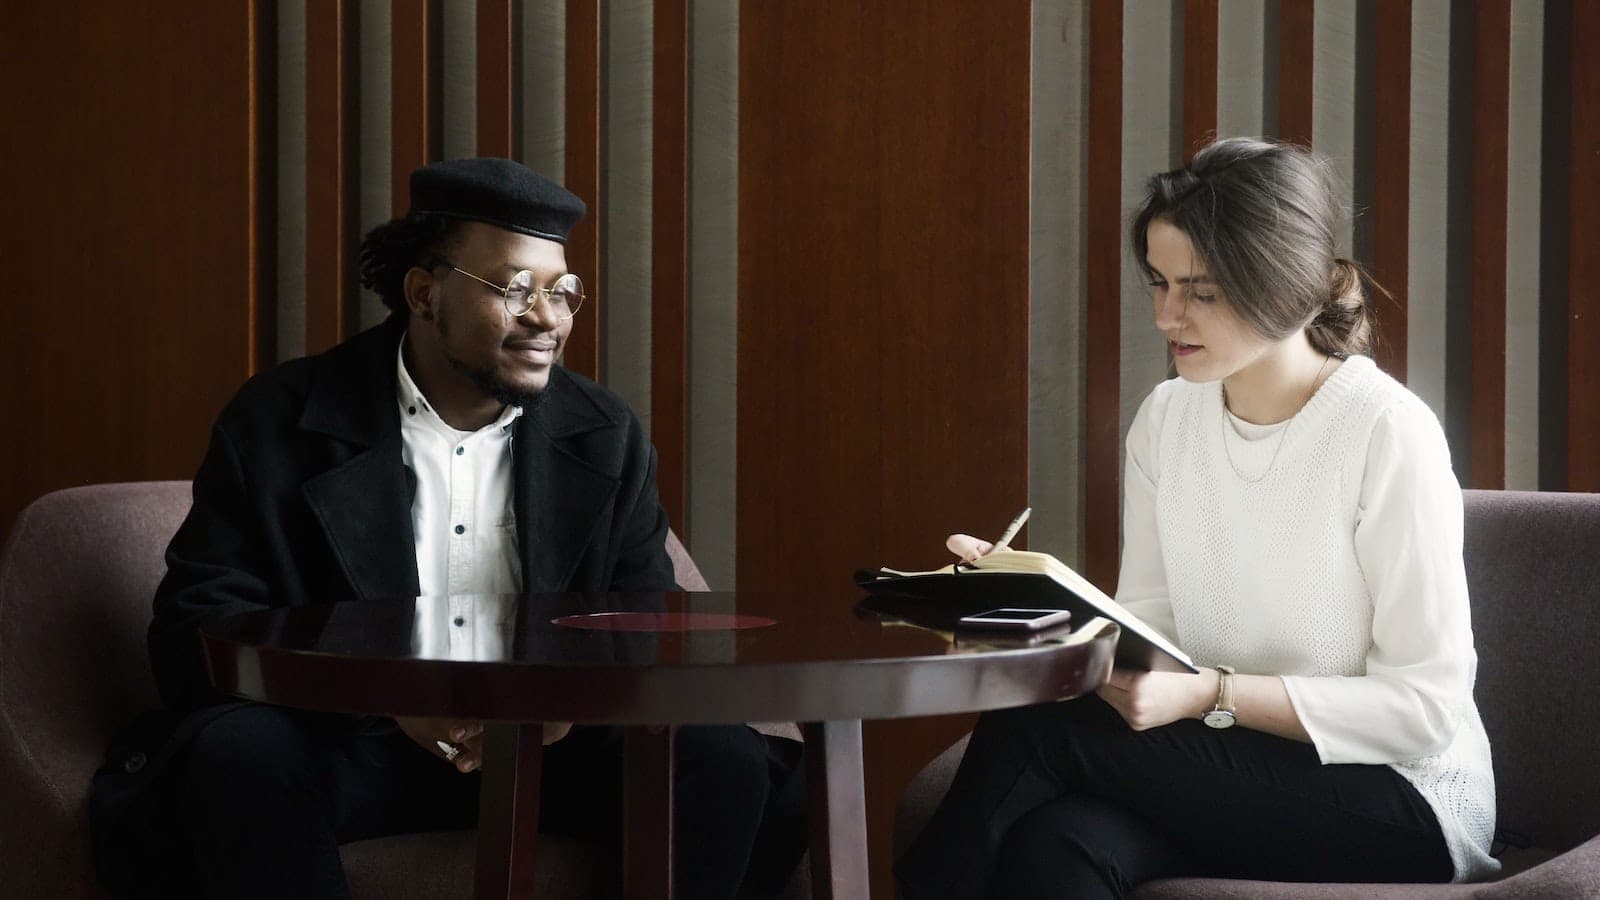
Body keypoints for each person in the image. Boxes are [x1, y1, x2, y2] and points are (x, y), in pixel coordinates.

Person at [100, 158, 806, 899]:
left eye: (562, 292)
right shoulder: (278, 419)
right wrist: (389, 697)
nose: (548, 319)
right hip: (350, 740)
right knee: (238, 753)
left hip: (552, 747)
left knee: (719, 757)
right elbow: (194, 634)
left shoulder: (605, 435)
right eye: (515, 289)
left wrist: (565, 706)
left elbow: (642, 624)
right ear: (424, 292)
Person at [894, 138, 1497, 898]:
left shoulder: (1385, 432)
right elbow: (1153, 640)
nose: (1165, 315)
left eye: (1201, 291)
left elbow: (1424, 710)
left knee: (1037, 734)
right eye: (1160, 282)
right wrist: (1029, 611)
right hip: (1226, 765)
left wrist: (1214, 693)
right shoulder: (1167, 419)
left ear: (1286, 285)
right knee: (1058, 847)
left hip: (1401, 799)